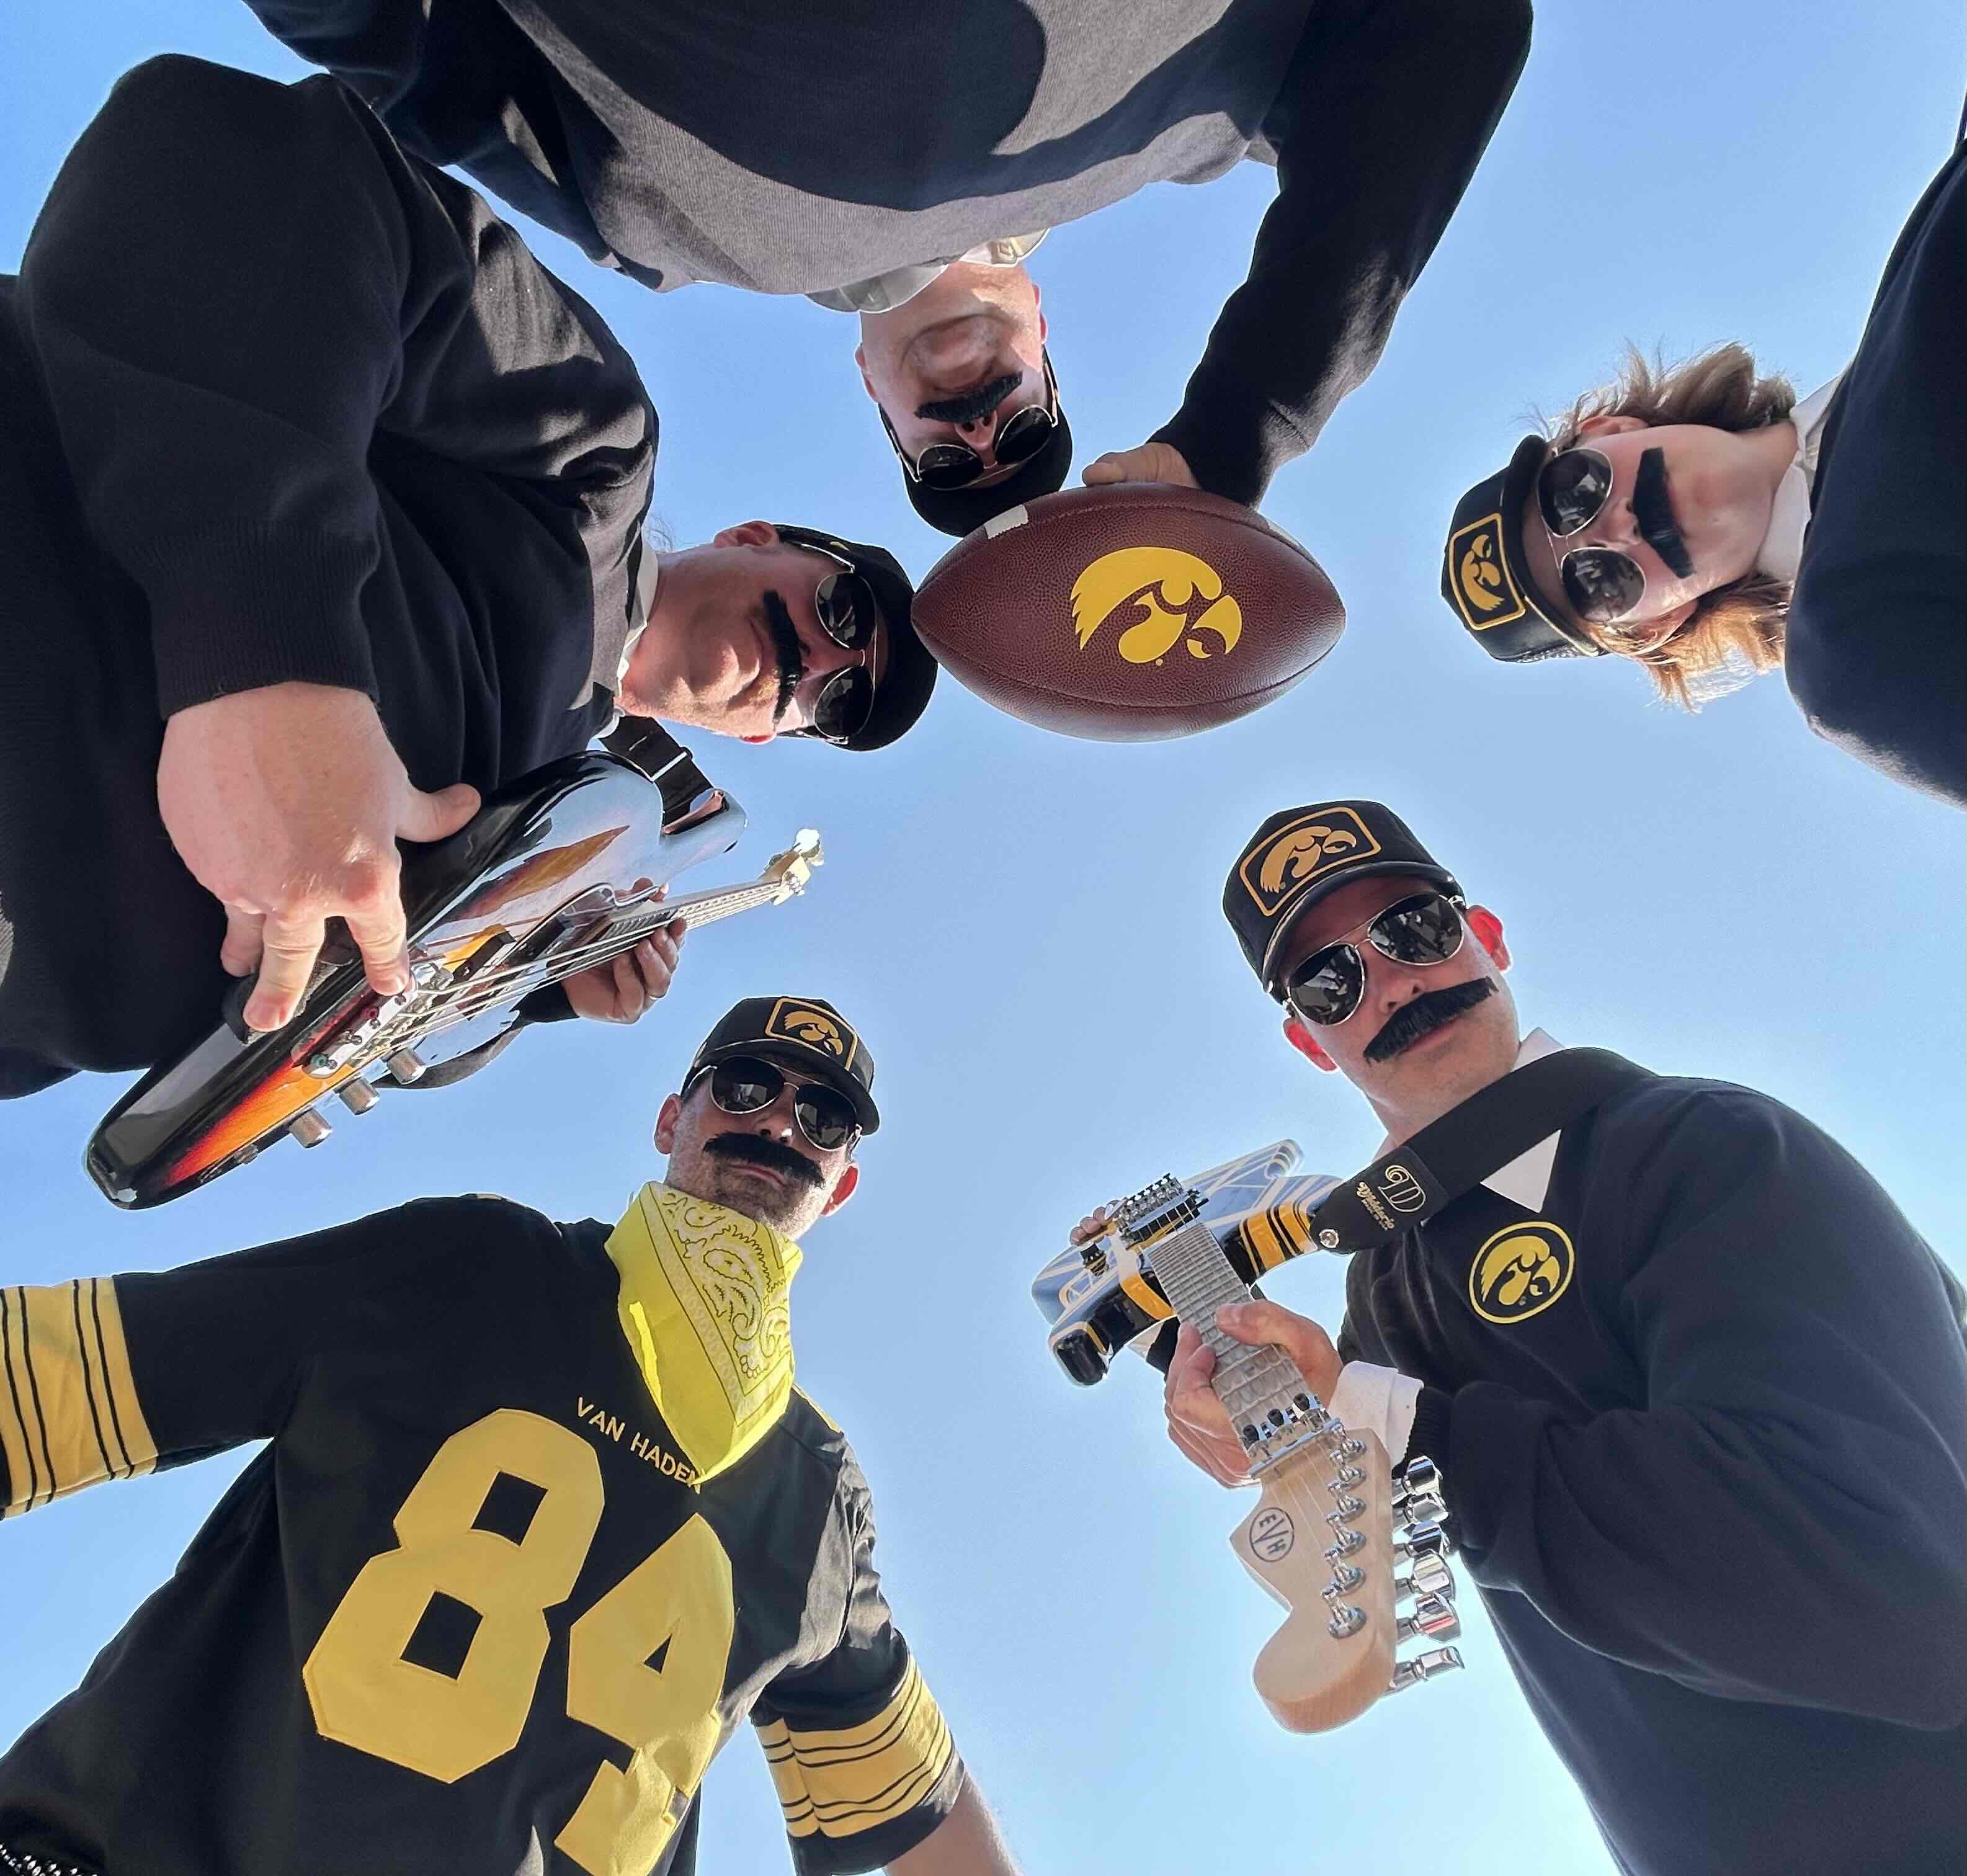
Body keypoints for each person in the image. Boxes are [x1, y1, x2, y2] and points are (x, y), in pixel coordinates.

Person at [0, 55, 937, 1100]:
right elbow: (265, 170)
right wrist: (265, 650)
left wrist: (531, 983)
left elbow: (331, 1050)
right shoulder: (597, 463)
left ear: (766, 734)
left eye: (838, 699)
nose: (821, 659)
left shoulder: (552, 847)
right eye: (844, 607)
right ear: (760, 535)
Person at [0, 993, 1021, 1876]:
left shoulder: (817, 1497)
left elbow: (908, 1790)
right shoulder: (469, 1264)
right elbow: (60, 1374)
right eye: (746, 1084)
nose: (780, 1124)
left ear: (840, 1181)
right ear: (674, 1114)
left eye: (825, 1113)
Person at [1141, 798, 1964, 1875]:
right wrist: (1274, 1418)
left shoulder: (1701, 1145)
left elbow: (1884, 1592)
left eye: (1414, 929)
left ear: (1485, 934)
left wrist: (1386, 1417)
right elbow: (1369, 1537)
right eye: (1330, 980)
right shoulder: (1381, 1301)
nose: (1389, 981)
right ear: (1309, 1039)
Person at [243, 0, 1532, 535]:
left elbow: (405, 55)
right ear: (1041, 323)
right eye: (1021, 428)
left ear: (874, 396)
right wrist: (1244, 424)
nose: (977, 430)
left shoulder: (668, 239)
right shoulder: (1198, 118)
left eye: (943, 461)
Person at [1437, 134, 1963, 806]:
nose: (1618, 529)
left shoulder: (1919, 252)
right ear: (1657, 625)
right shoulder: (1860, 655)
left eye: (1576, 494)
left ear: (1609, 430)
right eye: (1599, 581)